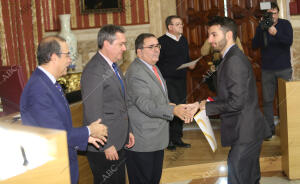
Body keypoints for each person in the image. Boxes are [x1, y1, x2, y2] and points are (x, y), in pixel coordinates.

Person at [190, 16, 269, 184]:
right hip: (246, 130)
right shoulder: (230, 57)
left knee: (239, 178)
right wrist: (206, 103)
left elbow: (237, 102)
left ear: (228, 35)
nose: (209, 40)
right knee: (249, 178)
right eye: (209, 35)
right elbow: (232, 95)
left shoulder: (234, 60)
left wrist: (208, 108)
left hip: (245, 131)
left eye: (214, 35)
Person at [20, 36, 108, 184]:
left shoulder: (49, 83)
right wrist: (89, 130)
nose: (70, 60)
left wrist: (85, 137)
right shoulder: (38, 89)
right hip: (52, 172)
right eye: (67, 54)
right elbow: (56, 135)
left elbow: (59, 127)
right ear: (54, 57)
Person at [125, 33, 194, 184]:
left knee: (154, 180)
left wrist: (176, 107)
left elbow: (159, 99)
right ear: (139, 51)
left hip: (156, 138)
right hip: (143, 141)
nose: (156, 50)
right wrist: (172, 111)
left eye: (158, 46)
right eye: (151, 47)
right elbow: (145, 104)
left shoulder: (153, 67)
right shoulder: (136, 72)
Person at [81, 24, 135, 184]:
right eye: (121, 44)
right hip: (104, 145)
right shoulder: (94, 70)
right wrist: (107, 144)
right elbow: (92, 113)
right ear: (106, 44)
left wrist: (128, 131)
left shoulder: (112, 66)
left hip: (119, 139)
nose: (124, 48)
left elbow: (121, 103)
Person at [252, 2, 293, 139]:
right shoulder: (262, 26)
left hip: (284, 69)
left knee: (285, 100)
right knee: (268, 101)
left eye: (274, 13)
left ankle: (287, 129)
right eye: (269, 13)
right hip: (267, 70)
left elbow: (288, 41)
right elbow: (254, 45)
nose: (272, 16)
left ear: (278, 13)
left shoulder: (285, 24)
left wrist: (276, 34)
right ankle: (269, 130)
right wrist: (260, 29)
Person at [156, 15, 196, 150]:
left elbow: (186, 58)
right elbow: (156, 63)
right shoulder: (161, 42)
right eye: (178, 24)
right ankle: (168, 141)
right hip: (168, 81)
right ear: (170, 27)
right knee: (171, 108)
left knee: (182, 107)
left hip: (181, 80)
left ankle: (178, 138)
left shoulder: (183, 40)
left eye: (181, 24)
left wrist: (190, 64)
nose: (181, 26)